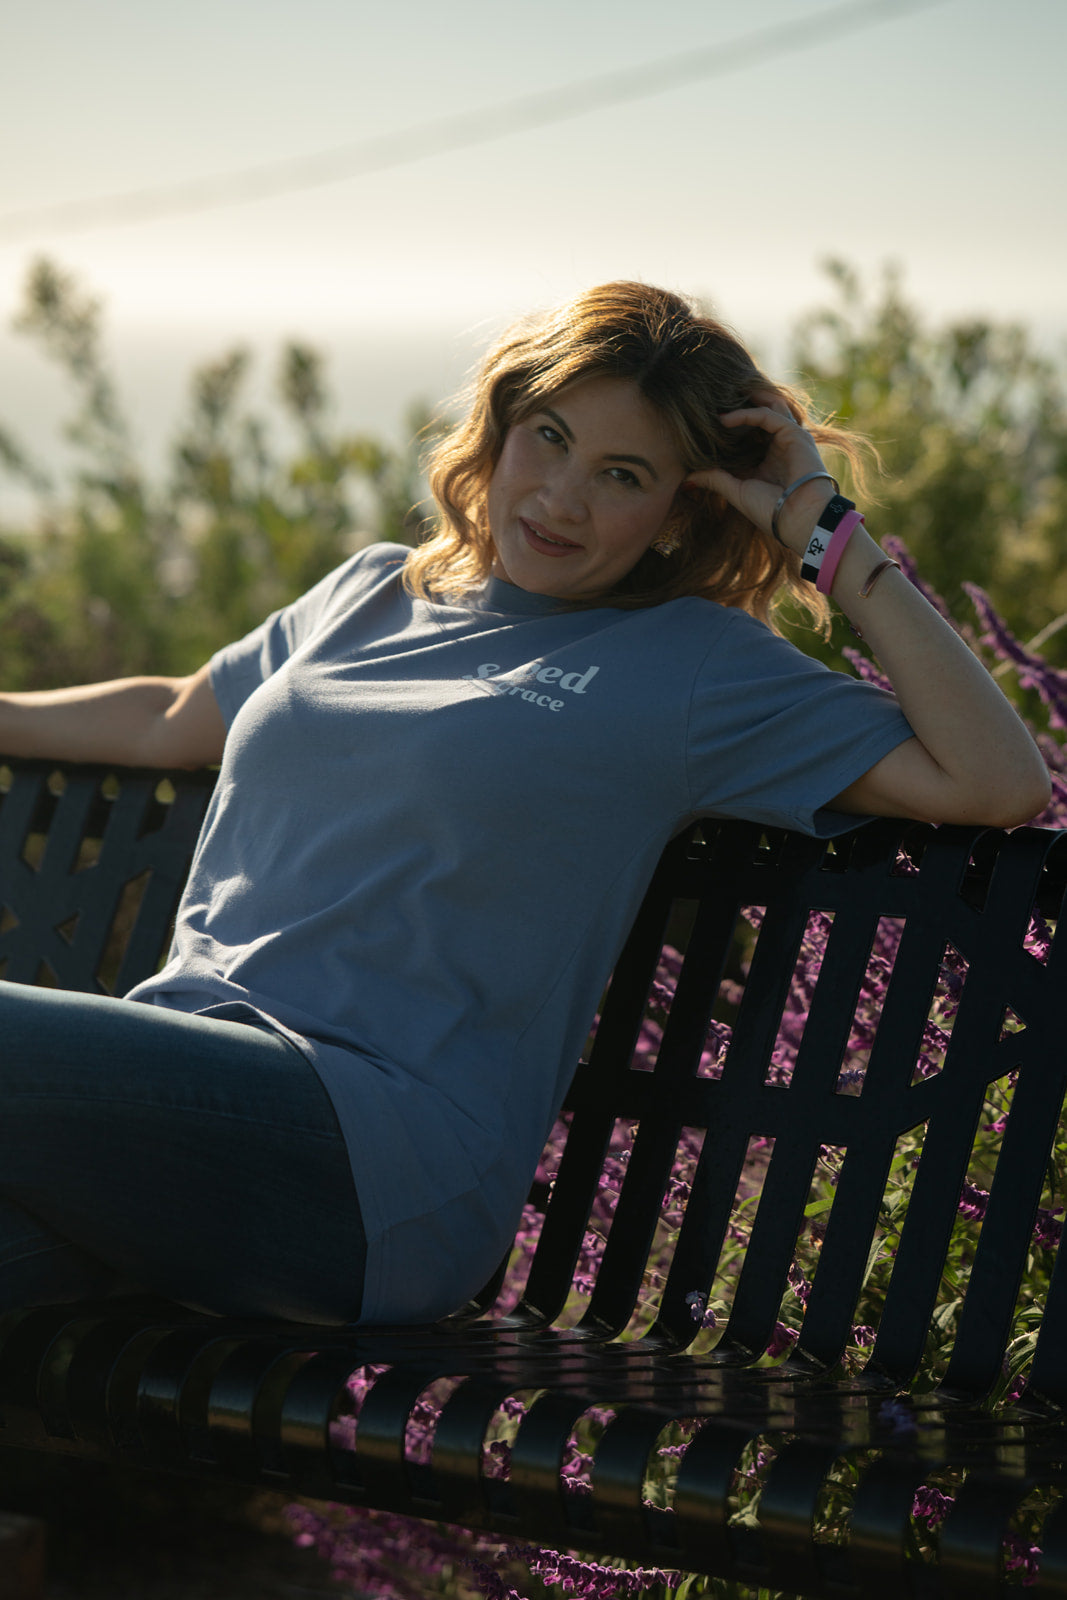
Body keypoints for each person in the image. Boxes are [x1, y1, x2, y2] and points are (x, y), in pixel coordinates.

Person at [0, 281, 1050, 1327]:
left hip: (373, 1162)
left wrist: (825, 534)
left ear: (681, 505)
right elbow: (168, 718)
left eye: (620, 474)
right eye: (547, 437)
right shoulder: (367, 592)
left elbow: (994, 781)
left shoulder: (691, 667)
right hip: (165, 1114)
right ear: (500, 423)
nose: (560, 496)